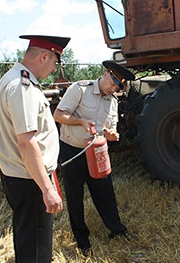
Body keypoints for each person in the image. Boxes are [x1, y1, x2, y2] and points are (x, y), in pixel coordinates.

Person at [0, 34, 70, 262]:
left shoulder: (12, 80)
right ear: (44, 56)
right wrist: (47, 189)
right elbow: (26, 142)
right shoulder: (22, 87)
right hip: (30, 180)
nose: (55, 69)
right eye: (55, 62)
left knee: (27, 239)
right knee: (36, 247)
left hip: (21, 176)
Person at [53, 60, 136, 256]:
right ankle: (82, 241)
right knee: (75, 198)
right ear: (107, 73)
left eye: (118, 87)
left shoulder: (113, 100)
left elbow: (111, 126)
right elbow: (58, 114)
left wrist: (112, 134)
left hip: (98, 152)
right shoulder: (80, 90)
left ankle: (117, 230)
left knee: (106, 193)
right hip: (73, 151)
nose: (114, 89)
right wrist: (80, 121)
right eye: (114, 84)